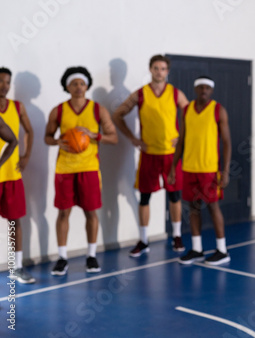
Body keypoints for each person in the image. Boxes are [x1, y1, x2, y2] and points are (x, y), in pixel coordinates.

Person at [113, 55, 189, 257]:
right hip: (149, 154)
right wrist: (132, 138)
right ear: (150, 69)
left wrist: (183, 137)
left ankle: (177, 236)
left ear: (167, 71)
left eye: (163, 68)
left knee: (174, 195)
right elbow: (117, 114)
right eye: (156, 68)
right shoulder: (140, 94)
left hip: (171, 155)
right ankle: (144, 240)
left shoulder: (175, 93)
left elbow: (192, 115)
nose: (159, 71)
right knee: (144, 197)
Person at [45, 66, 118, 275]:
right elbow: (47, 137)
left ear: (87, 86)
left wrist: (95, 136)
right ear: (67, 86)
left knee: (91, 212)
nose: (78, 87)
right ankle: (62, 257)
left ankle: (91, 255)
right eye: (74, 83)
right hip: (65, 169)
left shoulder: (98, 109)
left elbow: (113, 137)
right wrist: (57, 141)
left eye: (82, 83)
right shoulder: (58, 110)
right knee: (63, 213)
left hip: (89, 168)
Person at [168, 76, 232, 266]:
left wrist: (225, 171)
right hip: (189, 167)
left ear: (211, 91)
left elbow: (227, 142)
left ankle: (222, 250)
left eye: (207, 87)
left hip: (209, 169)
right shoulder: (187, 110)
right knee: (193, 208)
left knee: (212, 207)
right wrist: (173, 167)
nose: (203, 90)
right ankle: (197, 249)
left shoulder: (218, 110)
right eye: (200, 87)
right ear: (195, 89)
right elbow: (181, 140)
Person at [0, 67, 35, 284]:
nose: (4, 86)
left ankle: (17, 267)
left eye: (7, 82)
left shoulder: (16, 107)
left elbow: (28, 131)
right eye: (0, 81)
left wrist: (26, 156)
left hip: (11, 174)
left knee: (15, 221)